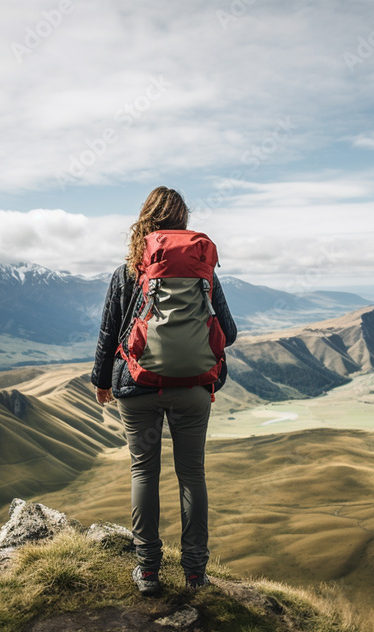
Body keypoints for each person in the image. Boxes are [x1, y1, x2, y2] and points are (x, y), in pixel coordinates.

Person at [91, 186, 237, 595]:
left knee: (144, 472)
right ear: (184, 224)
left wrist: (102, 380)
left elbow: (108, 335)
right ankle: (195, 573)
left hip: (137, 385)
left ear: (145, 220)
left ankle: (148, 571)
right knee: (192, 475)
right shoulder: (204, 275)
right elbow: (231, 332)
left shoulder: (127, 273)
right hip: (192, 388)